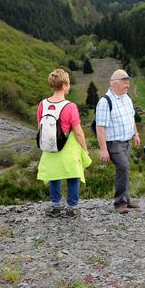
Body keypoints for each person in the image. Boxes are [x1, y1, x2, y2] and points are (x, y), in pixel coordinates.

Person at [36, 69, 91, 218]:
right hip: (68, 148)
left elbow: (40, 126)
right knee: (73, 175)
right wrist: (85, 149)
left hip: (49, 147)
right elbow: (78, 132)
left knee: (54, 174)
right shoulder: (70, 106)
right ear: (65, 85)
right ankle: (72, 207)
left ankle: (55, 206)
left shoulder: (42, 104)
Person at [95, 69, 141, 214]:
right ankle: (119, 203)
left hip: (127, 142)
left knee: (125, 170)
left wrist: (136, 134)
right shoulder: (105, 102)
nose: (127, 85)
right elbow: (100, 127)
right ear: (114, 83)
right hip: (113, 143)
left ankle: (126, 199)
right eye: (124, 82)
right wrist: (103, 150)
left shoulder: (127, 98)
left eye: (128, 82)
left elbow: (131, 118)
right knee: (124, 168)